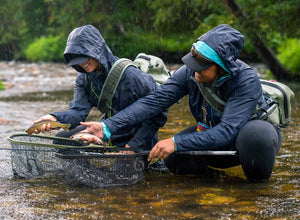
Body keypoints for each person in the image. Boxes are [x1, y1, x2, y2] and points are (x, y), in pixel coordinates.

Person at [80, 24, 282, 181]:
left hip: (246, 142)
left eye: (202, 67)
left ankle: (256, 192)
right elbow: (153, 102)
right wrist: (107, 127)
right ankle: (218, 181)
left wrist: (176, 142)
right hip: (212, 136)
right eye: (193, 65)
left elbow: (227, 131)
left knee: (256, 137)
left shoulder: (246, 81)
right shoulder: (189, 74)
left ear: (222, 67)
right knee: (174, 160)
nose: (195, 71)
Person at [32, 24, 167, 151]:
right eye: (76, 59)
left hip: (139, 136)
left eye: (84, 57)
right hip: (108, 131)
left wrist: (132, 146)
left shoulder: (131, 75)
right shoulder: (83, 79)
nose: (81, 63)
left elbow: (159, 114)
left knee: (121, 174)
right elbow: (78, 113)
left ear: (97, 51)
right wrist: (54, 118)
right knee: (62, 140)